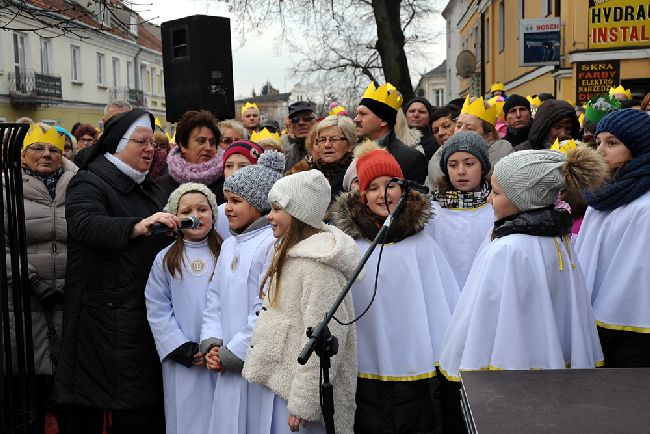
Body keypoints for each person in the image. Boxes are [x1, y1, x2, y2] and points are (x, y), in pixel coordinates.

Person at [438, 146, 607, 433]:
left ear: (523, 199)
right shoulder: (557, 238)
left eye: (497, 193)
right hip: (550, 380)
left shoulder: (509, 248)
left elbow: (483, 316)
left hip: (506, 383)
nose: (490, 199)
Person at [55, 109, 176, 434]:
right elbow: (84, 224)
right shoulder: (88, 182)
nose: (151, 149)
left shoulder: (148, 187)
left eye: (153, 142)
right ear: (117, 144)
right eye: (141, 142)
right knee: (122, 412)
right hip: (108, 318)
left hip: (144, 311)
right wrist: (137, 227)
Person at [331, 144, 459, 434]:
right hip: (363, 362)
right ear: (361, 196)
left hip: (412, 362)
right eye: (373, 188)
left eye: (390, 185)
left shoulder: (419, 242)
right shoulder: (351, 245)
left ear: (403, 189)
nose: (383, 194)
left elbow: (439, 298)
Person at [243, 170, 359, 434]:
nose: (269, 216)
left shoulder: (319, 268)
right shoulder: (291, 255)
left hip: (302, 406)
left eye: (276, 209)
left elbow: (324, 338)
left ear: (299, 214)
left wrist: (305, 403)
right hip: (281, 387)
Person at [200, 151, 284, 433]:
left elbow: (267, 306)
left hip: (253, 362)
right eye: (227, 200)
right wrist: (212, 342)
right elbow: (214, 298)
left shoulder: (270, 244)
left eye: (237, 201)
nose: (227, 208)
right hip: (225, 358)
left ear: (260, 205)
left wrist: (234, 353)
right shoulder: (229, 245)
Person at [8, 124, 77, 433]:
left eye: (54, 149)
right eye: (38, 148)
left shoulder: (79, 185)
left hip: (69, 293)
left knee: (67, 380)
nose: (47, 155)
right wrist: (30, 280)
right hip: (23, 297)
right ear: (23, 156)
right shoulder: (6, 187)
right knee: (28, 380)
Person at [145, 183, 223, 434]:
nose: (196, 215)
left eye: (203, 209)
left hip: (220, 355)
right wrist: (177, 345)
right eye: (187, 210)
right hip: (184, 359)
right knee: (187, 418)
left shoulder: (228, 252)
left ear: (213, 215)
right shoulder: (166, 258)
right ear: (174, 218)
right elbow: (157, 305)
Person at [575, 109, 650, 367]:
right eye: (598, 142)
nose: (601, 151)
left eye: (612, 143)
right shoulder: (602, 195)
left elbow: (634, 274)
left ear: (638, 147)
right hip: (595, 318)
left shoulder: (644, 206)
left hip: (632, 329)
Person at [428, 132, 494, 289]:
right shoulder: (433, 212)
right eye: (453, 165)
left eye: (469, 164)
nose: (461, 171)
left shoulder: (495, 208)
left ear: (483, 167)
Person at [428, 96, 513, 188]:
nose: (460, 131)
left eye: (469, 128)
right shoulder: (438, 159)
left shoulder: (501, 155)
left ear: (487, 137)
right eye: (458, 126)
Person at [354, 82, 427, 184]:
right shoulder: (352, 153)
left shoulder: (410, 159)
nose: (356, 119)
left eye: (363, 114)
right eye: (357, 113)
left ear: (383, 121)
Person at [156, 110, 225, 203]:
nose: (208, 147)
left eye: (212, 143)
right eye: (201, 141)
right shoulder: (161, 186)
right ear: (183, 145)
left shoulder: (225, 183)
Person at [216, 140, 265, 240]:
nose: (235, 172)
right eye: (229, 166)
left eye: (243, 166)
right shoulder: (220, 213)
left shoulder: (272, 213)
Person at [311, 115, 356, 203]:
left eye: (334, 139)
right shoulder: (310, 176)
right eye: (322, 140)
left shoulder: (357, 176)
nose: (327, 145)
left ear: (350, 144)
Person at [514, 99, 580, 151]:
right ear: (545, 128)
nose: (563, 134)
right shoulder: (522, 153)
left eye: (568, 128)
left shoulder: (579, 152)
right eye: (557, 127)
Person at [282, 101, 318, 170]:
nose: (301, 123)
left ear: (314, 122)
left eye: (306, 118)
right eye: (295, 120)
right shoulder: (285, 155)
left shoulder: (325, 148)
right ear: (291, 127)